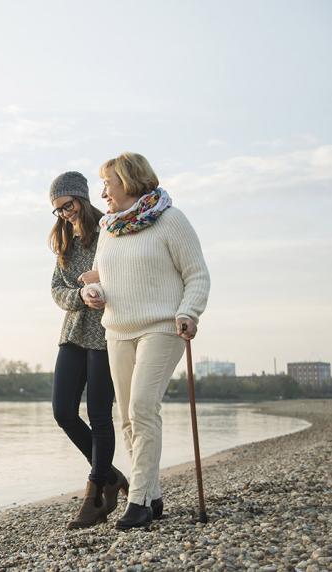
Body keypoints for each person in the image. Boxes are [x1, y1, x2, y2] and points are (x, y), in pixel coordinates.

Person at [80, 152, 210, 530]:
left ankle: (136, 504)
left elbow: (197, 275)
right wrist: (95, 292)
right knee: (127, 418)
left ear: (129, 181)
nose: (102, 191)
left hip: (162, 326)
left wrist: (189, 312)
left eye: (108, 182)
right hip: (118, 329)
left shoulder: (170, 219)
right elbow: (106, 276)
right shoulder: (109, 227)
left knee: (141, 407)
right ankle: (151, 496)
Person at [48, 171, 129, 529]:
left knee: (99, 414)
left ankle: (95, 493)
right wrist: (79, 295)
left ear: (81, 198)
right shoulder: (64, 240)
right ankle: (110, 475)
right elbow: (56, 289)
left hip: (106, 333)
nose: (64, 214)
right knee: (62, 410)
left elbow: (125, 274)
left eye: (67, 205)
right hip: (73, 332)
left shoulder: (109, 231)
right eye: (57, 210)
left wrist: (100, 286)